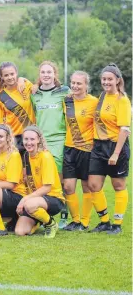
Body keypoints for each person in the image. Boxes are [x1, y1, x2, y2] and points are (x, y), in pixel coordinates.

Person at [88, 64, 131, 235]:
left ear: (118, 80)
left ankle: (118, 224)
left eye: (110, 79)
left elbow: (124, 130)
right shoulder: (102, 96)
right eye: (104, 79)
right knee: (93, 184)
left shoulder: (123, 100)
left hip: (115, 146)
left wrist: (115, 153)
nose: (106, 82)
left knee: (118, 184)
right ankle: (104, 222)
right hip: (98, 146)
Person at [31, 61, 71, 228]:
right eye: (43, 72)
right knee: (42, 179)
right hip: (41, 141)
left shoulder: (65, 92)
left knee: (59, 180)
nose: (46, 75)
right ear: (39, 75)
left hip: (58, 140)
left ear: (55, 74)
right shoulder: (34, 94)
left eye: (49, 72)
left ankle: (64, 214)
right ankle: (43, 213)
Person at [62, 71, 98, 231]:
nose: (75, 86)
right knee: (68, 186)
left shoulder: (94, 102)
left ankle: (84, 222)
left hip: (87, 150)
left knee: (86, 186)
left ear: (86, 85)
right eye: (73, 83)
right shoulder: (67, 101)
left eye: (79, 83)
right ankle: (75, 220)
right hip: (69, 148)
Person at [15, 126, 65, 239]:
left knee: (29, 204)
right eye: (26, 139)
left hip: (53, 198)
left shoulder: (45, 156)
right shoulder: (26, 156)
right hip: (35, 199)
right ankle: (39, 220)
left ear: (39, 140)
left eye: (32, 139)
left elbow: (47, 188)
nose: (29, 142)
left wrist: (25, 199)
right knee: (20, 231)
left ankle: (51, 223)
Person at [0, 62, 35, 155]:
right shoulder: (1, 96)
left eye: (12, 74)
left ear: (16, 73)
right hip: (14, 137)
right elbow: (2, 120)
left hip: (30, 134)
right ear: (2, 77)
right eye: (6, 75)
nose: (10, 77)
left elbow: (38, 89)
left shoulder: (26, 85)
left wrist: (22, 79)